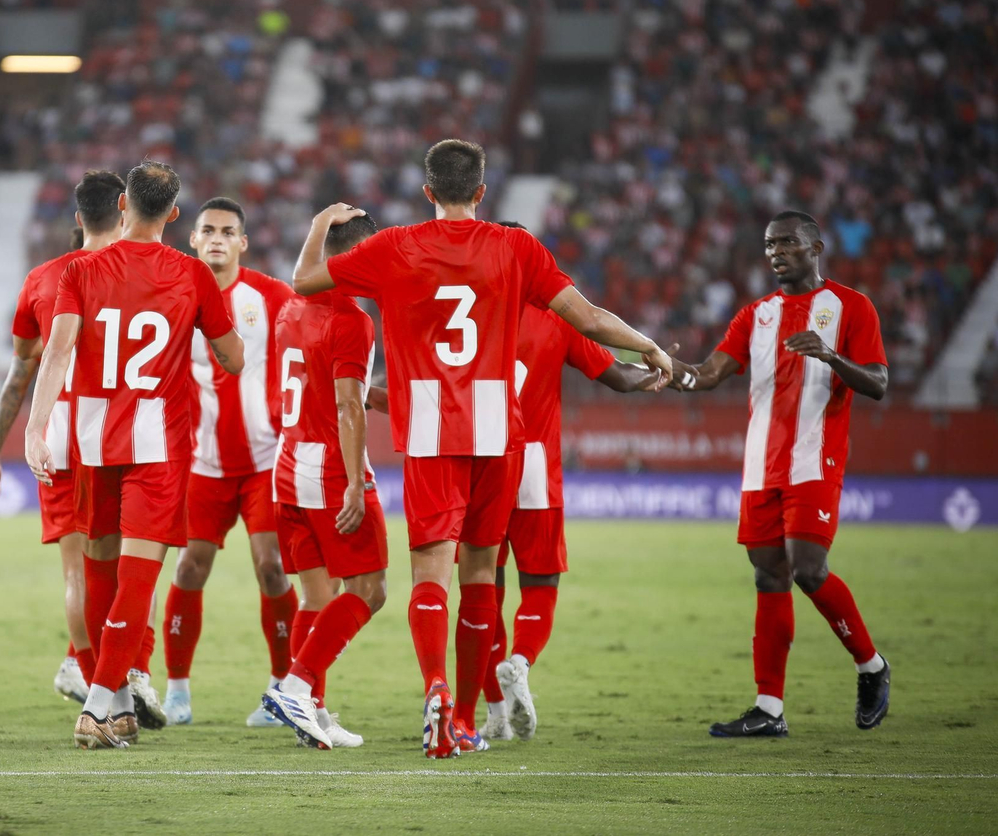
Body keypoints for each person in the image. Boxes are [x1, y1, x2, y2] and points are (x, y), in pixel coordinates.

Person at [292, 139, 670, 758]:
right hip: (499, 431)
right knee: (480, 578)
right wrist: (647, 345)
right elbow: (591, 318)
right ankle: (464, 719)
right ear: (482, 192)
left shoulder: (393, 247)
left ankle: (436, 688)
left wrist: (317, 227)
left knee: (430, 576)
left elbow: (306, 281)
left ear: (427, 192)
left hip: (431, 433)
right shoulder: (516, 247)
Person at [23, 161, 243, 749]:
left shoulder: (82, 270)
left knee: (99, 569)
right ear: (175, 215)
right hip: (156, 445)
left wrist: (36, 428)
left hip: (93, 441)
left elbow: (57, 351)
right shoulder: (192, 275)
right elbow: (234, 359)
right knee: (137, 579)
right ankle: (98, 704)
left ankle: (117, 703)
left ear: (123, 207)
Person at [670, 210, 890, 737]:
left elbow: (879, 383)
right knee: (769, 576)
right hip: (759, 467)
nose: (776, 252)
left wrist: (832, 356)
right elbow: (707, 374)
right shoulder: (755, 315)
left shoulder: (851, 307)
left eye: (788, 242)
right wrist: (668, 371)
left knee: (809, 568)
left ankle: (871, 666)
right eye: (770, 244)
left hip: (814, 460)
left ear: (816, 247)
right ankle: (769, 709)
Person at [478, 222, 663, 742]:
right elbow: (620, 378)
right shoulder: (556, 318)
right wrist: (658, 372)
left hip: (478, 464)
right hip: (534, 465)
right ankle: (520, 660)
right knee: (541, 584)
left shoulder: (464, 309)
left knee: (480, 589)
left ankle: (493, 712)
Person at [0, 170, 125, 707]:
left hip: (59, 438)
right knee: (132, 564)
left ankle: (90, 679)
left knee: (76, 571)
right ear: (124, 210)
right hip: (124, 437)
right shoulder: (141, 271)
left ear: (78, 218)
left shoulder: (43, 279)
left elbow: (22, 372)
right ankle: (119, 681)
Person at [163, 198, 298, 728]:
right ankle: (177, 693)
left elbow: (310, 337)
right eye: (208, 231)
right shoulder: (174, 295)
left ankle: (281, 688)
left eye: (228, 232)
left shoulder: (271, 296)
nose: (217, 238)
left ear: (243, 242)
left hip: (266, 461)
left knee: (271, 567)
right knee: (190, 566)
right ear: (192, 240)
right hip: (202, 464)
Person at [261, 214, 388, 750]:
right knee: (370, 589)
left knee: (318, 595)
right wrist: (356, 481)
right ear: (354, 257)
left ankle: (309, 711)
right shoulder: (352, 320)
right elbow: (343, 406)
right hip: (329, 466)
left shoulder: (291, 308)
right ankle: (294, 686)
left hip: (288, 461)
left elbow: (328, 389)